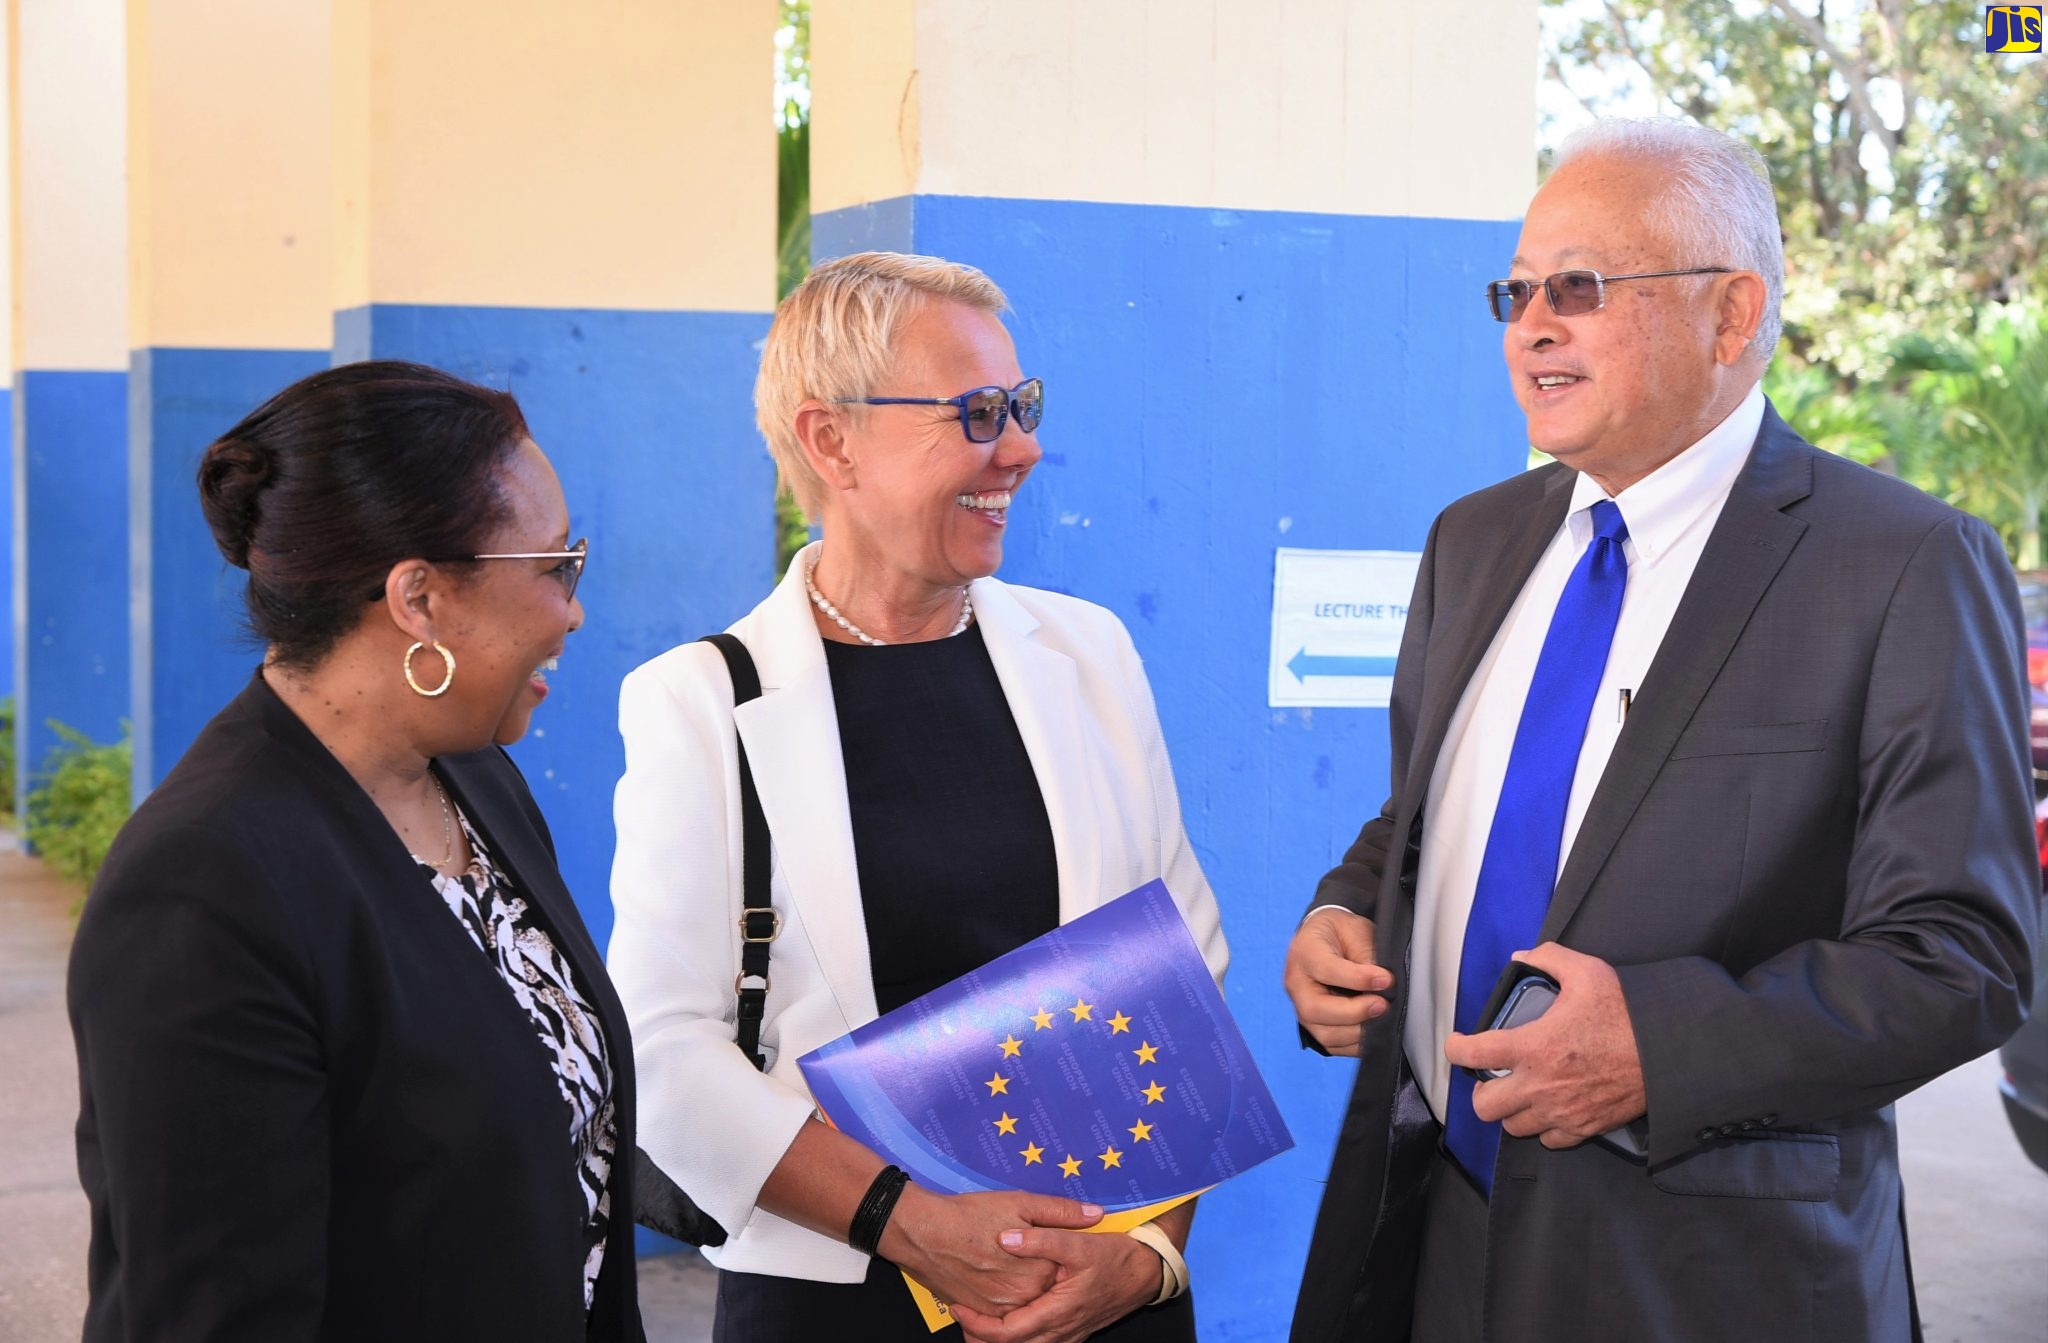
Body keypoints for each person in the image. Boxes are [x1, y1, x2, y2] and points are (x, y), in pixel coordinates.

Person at [1283, 118, 2039, 1343]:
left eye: (1577, 287)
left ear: (1730, 315)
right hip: (1426, 1229)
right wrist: (1344, 912)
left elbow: (1962, 957)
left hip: (1699, 1270)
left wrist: (1661, 1045)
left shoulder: (1900, 563)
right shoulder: (1471, 540)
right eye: (1515, 291)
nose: (1532, 325)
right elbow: (1422, 825)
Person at [609, 251, 1228, 1343]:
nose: (1024, 447)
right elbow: (660, 1049)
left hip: (1099, 1294)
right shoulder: (699, 700)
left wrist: (1145, 1253)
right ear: (830, 439)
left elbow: (1178, 973)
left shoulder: (1086, 654)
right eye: (978, 413)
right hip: (835, 1302)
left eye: (1022, 405)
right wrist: (910, 1222)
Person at [68, 361, 645, 1342]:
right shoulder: (200, 892)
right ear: (418, 598)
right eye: (555, 565)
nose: (571, 609)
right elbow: (219, 1313)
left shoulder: (475, 780)